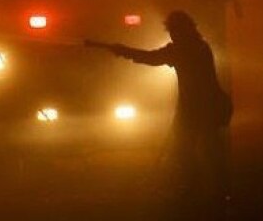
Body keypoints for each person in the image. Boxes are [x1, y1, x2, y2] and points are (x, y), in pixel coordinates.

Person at [87, 11, 232, 200]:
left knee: (187, 150)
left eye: (173, 31)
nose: (172, 35)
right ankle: (215, 190)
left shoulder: (183, 49)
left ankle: (195, 191)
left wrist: (122, 51)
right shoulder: (200, 46)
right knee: (208, 149)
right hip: (208, 105)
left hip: (196, 108)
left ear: (180, 30)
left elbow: (151, 57)